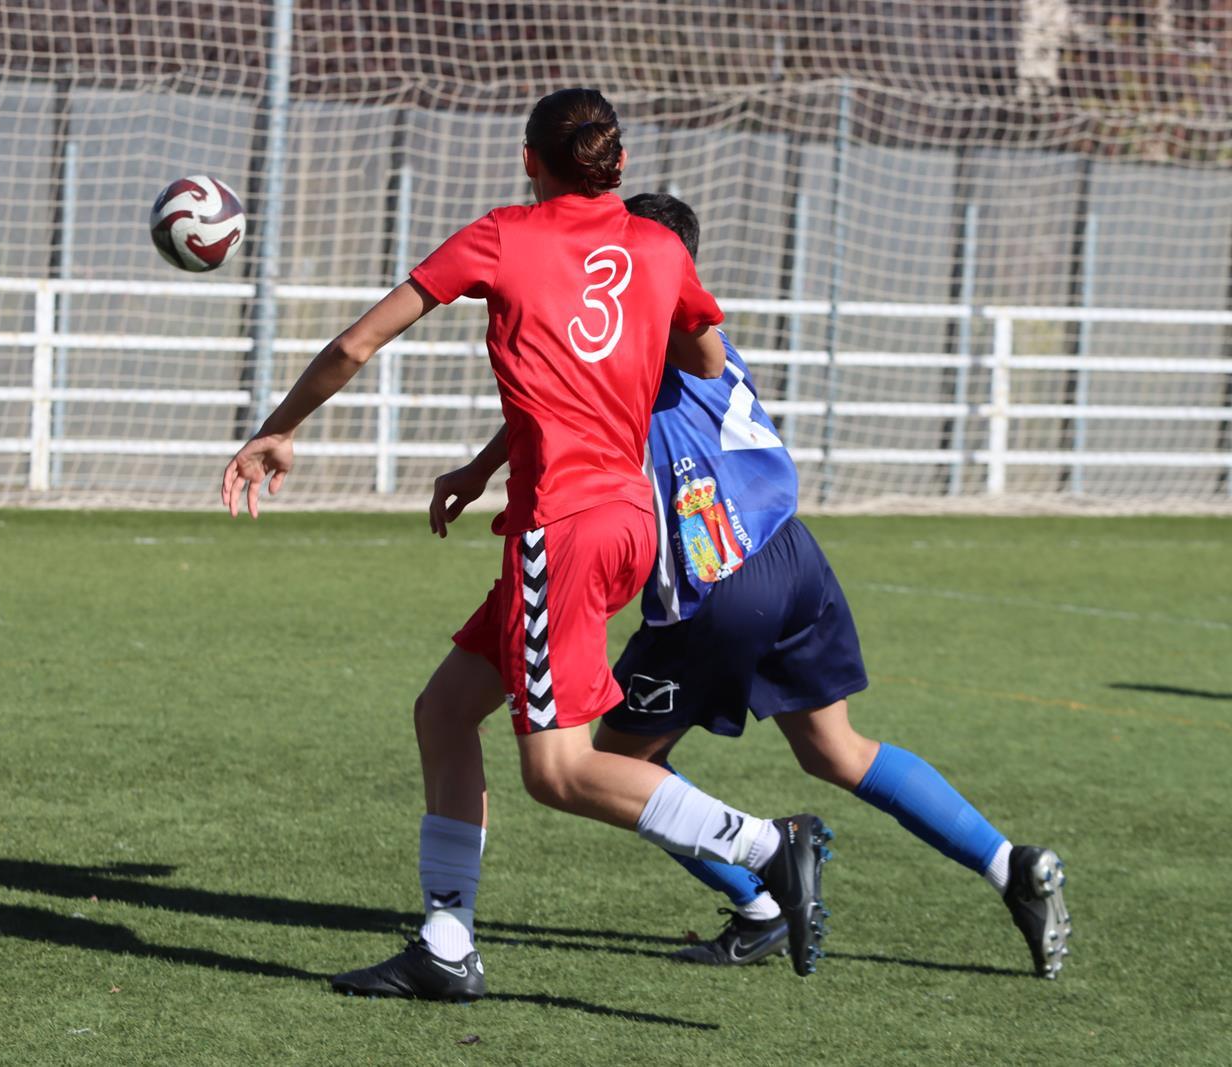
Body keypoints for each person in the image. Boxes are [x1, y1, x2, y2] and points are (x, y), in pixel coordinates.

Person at [222, 90, 833, 1001]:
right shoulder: (660, 248)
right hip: (627, 521)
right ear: (619, 165)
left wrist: (278, 428)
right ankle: (446, 942)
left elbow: (355, 345)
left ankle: (766, 845)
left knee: (557, 771)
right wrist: (535, 421)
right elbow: (706, 359)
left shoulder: (503, 236)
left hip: (565, 528)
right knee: (444, 711)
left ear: (528, 160)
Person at [432, 192, 1072, 980]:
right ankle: (1011, 864)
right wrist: (481, 467)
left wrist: (483, 468)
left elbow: (576, 392)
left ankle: (763, 894)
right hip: (792, 555)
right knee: (837, 748)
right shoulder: (703, 340)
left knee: (617, 759)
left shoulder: (642, 332)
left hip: (717, 577)